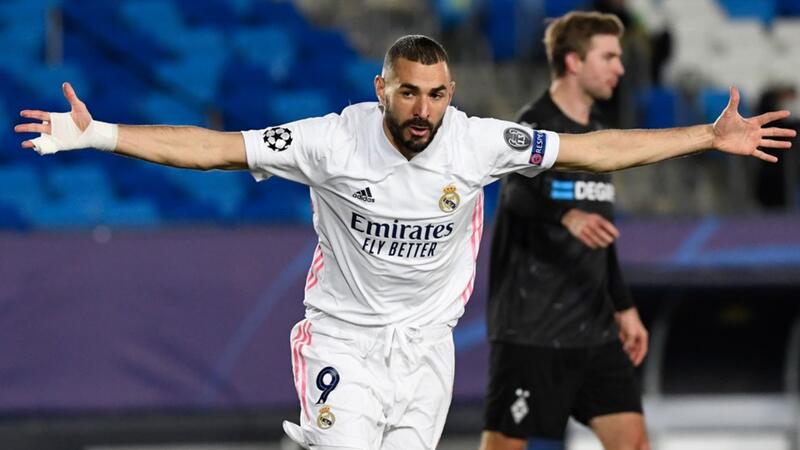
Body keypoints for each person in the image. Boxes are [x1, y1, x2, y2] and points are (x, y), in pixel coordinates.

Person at [14, 35, 793, 450]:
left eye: (437, 94)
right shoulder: (330, 141)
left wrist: (704, 136)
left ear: (452, 95)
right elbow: (216, 148)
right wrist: (101, 134)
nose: (423, 109)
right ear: (382, 89)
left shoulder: (479, 142)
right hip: (344, 342)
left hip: (426, 350)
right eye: (409, 92)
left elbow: (595, 150)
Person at [481, 12, 649, 450]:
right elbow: (515, 193)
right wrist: (565, 216)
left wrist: (624, 306)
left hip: (594, 329)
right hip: (532, 329)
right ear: (574, 61)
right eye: (609, 57)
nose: (620, 68)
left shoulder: (598, 136)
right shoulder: (533, 124)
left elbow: (603, 238)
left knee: (634, 443)